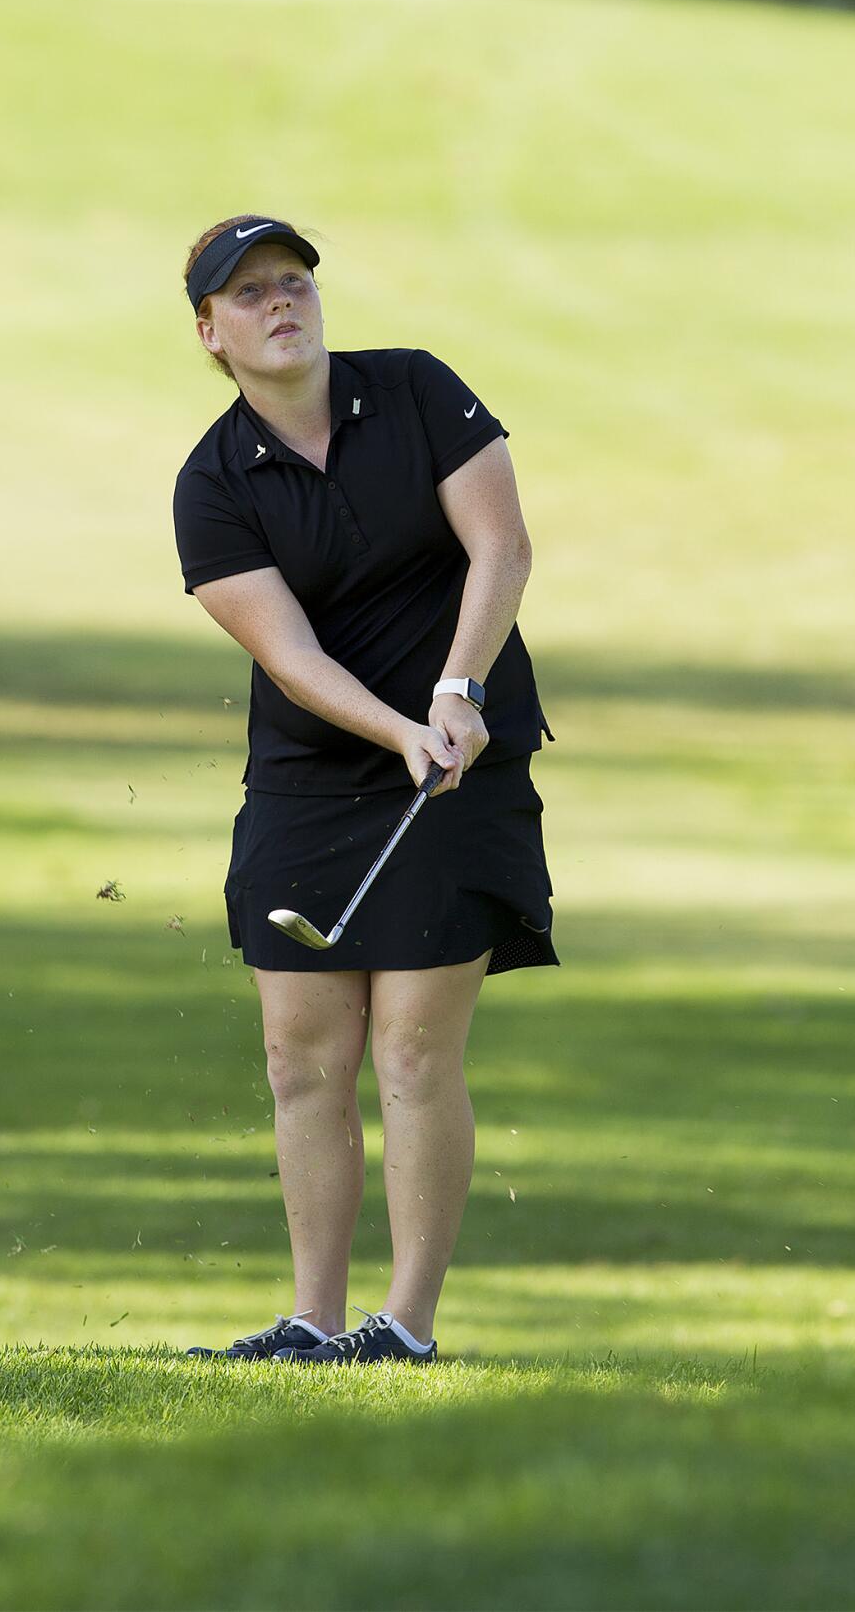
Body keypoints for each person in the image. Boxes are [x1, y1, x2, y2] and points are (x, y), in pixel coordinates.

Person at [172, 215, 558, 1366]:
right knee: (302, 1056)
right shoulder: (211, 482)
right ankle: (314, 1317)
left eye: (293, 281)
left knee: (410, 1050)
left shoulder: (418, 391)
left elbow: (503, 548)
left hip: (464, 755)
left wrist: (457, 689)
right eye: (248, 295)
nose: (279, 303)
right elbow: (288, 656)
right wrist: (399, 728)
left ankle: (407, 1323)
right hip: (314, 776)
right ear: (210, 332)